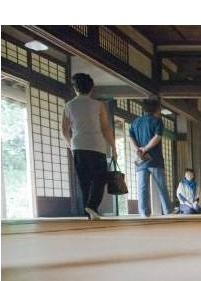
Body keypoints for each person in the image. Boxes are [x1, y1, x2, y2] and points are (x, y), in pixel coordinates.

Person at [61, 73, 116, 220]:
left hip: (78, 146)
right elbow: (106, 128)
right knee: (100, 178)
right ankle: (92, 207)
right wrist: (114, 147)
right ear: (91, 88)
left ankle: (89, 213)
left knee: (84, 181)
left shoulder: (69, 105)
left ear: (75, 88)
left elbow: (64, 130)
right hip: (97, 145)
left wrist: (70, 145)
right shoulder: (98, 105)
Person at [128, 98, 172, 217]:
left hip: (141, 159)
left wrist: (138, 149)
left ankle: (144, 212)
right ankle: (167, 210)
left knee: (142, 187)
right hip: (155, 159)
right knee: (161, 186)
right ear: (157, 108)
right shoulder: (157, 121)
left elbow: (131, 137)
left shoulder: (136, 122)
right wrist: (145, 148)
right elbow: (157, 137)